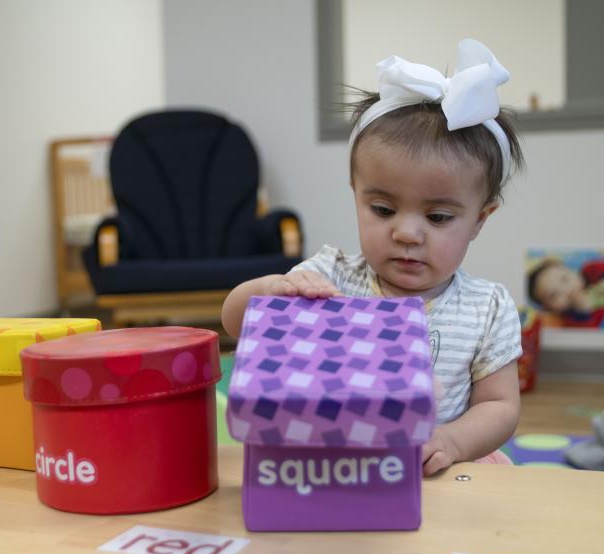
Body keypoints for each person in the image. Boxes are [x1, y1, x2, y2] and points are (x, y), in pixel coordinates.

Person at [222, 39, 524, 476]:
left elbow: (499, 405)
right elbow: (235, 321)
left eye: (438, 217)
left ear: (480, 219)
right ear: (356, 197)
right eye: (382, 210)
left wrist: (454, 440)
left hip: (440, 467)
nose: (405, 233)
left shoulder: (488, 307)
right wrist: (271, 291)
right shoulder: (329, 278)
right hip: (337, 463)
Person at [527, 257, 604, 328]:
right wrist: (586, 311)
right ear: (548, 309)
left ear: (572, 271)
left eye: (564, 279)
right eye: (553, 295)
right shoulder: (571, 320)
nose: (566, 290)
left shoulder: (589, 271)